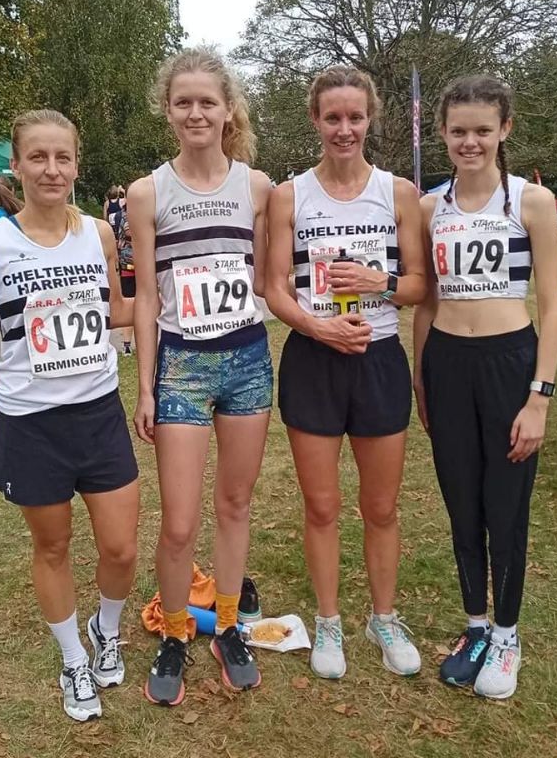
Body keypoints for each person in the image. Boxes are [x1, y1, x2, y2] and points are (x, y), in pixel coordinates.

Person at [0, 109, 139, 722]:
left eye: (62, 157)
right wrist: (5, 392)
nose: (52, 169)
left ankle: (105, 629)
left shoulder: (100, 235)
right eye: (39, 157)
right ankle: (72, 659)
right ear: (18, 165)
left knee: (120, 547)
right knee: (52, 546)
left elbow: (114, 310)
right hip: (33, 425)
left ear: (77, 165)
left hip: (99, 414)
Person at [265, 66, 428, 680]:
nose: (344, 128)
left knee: (381, 506)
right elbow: (273, 287)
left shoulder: (397, 192)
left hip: (378, 357)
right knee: (323, 505)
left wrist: (380, 282)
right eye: (332, 117)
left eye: (354, 117)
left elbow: (418, 284)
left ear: (370, 119)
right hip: (314, 359)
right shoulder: (291, 195)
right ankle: (329, 622)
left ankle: (382, 618)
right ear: (316, 120)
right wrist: (316, 326)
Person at [129, 47, 273, 705]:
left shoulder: (259, 187)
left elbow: (268, 279)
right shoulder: (147, 192)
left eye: (206, 101)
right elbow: (149, 299)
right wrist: (146, 384)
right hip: (182, 367)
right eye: (183, 101)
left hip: (246, 360)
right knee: (180, 522)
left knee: (236, 504)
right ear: (169, 110)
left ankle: (230, 626)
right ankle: (176, 629)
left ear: (227, 110)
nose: (195, 112)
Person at [413, 75, 557, 700]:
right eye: (458, 132)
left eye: (481, 130)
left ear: (504, 129)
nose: (469, 142)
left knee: (505, 507)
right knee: (462, 504)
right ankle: (475, 625)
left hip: (509, 360)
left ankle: (507, 633)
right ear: (442, 135)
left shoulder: (532, 202)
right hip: (448, 361)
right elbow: (424, 305)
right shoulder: (428, 206)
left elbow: (552, 308)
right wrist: (422, 380)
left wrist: (538, 397)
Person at [103, 185, 133, 354]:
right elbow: (129, 233)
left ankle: (131, 344)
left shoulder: (118, 211)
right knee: (130, 301)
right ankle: (127, 344)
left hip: (139, 265)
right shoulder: (127, 216)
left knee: (139, 302)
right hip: (129, 265)